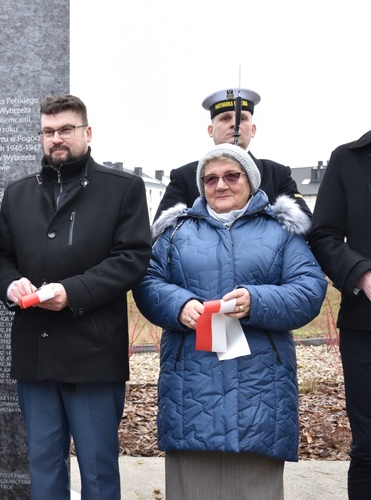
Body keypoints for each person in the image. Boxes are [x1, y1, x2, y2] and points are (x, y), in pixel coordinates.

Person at [134, 143, 326, 498]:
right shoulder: (176, 232)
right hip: (190, 387)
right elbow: (146, 282)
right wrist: (179, 304)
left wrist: (257, 300)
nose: (220, 185)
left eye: (231, 176)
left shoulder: (281, 230)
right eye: (210, 179)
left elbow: (310, 289)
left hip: (260, 387)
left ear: (250, 181)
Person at [0, 94, 152, 499]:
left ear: (87, 132)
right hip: (36, 351)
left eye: (65, 129)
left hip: (93, 353)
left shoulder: (123, 188)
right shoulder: (18, 193)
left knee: (97, 471)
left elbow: (132, 258)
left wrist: (71, 291)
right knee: (43, 469)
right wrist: (11, 285)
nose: (56, 138)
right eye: (48, 131)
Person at [307, 130, 371, 499]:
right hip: (367, 329)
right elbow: (323, 235)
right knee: (369, 448)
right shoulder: (348, 159)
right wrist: (362, 275)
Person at [154, 88, 310, 220]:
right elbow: (161, 235)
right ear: (210, 130)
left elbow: (304, 223)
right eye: (225, 118)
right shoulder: (184, 177)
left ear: (253, 129)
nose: (234, 125)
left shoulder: (277, 174)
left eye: (242, 118)